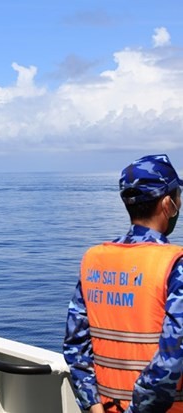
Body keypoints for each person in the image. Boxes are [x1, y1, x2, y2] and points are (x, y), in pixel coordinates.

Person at [63, 154, 183, 412]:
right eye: (178, 196)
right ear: (167, 204)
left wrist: (91, 404)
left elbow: (75, 345)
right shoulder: (175, 266)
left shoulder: (93, 260)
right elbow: (173, 358)